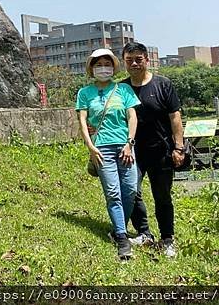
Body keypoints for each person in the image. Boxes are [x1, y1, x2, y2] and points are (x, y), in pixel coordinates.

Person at [120, 42, 184, 258]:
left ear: (147, 59)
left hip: (161, 151)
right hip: (133, 152)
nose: (134, 63)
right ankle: (144, 232)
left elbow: (175, 117)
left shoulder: (162, 84)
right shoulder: (121, 88)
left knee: (162, 196)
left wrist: (179, 147)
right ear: (124, 62)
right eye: (129, 60)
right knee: (131, 190)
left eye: (138, 59)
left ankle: (167, 239)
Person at [76, 48, 140, 260]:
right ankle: (122, 238)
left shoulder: (123, 90)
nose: (103, 68)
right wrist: (90, 147)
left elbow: (132, 117)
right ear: (92, 68)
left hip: (125, 146)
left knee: (130, 190)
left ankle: (116, 228)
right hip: (102, 149)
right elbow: (83, 122)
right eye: (98, 65)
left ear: (113, 67)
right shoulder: (84, 93)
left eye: (107, 64)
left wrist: (130, 143)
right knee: (113, 193)